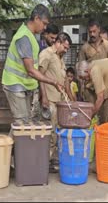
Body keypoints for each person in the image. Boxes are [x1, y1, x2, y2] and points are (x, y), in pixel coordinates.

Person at [2, 4, 63, 125]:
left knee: (23, 123)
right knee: (22, 124)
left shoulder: (30, 36)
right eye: (44, 23)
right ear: (36, 18)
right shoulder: (24, 37)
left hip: (22, 86)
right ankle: (2, 145)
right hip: (15, 84)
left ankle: (9, 144)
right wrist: (53, 82)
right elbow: (30, 70)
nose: (45, 27)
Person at [39, 32, 72, 172]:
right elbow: (39, 76)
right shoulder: (46, 54)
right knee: (49, 132)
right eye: (64, 47)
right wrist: (44, 97)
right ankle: (43, 163)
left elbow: (64, 82)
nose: (66, 50)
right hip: (50, 100)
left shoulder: (60, 58)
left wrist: (70, 100)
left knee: (56, 132)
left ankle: (50, 160)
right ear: (58, 42)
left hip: (59, 101)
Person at [78, 19, 108, 124]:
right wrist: (82, 87)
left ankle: (103, 139)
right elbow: (81, 69)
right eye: (90, 32)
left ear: (99, 30)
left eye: (94, 31)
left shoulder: (107, 46)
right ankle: (90, 138)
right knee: (89, 116)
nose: (92, 34)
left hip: (104, 87)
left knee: (104, 118)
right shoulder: (84, 48)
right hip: (89, 88)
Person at [32, 23, 60, 121]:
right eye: (51, 37)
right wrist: (43, 95)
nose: (53, 40)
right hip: (37, 86)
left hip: (45, 88)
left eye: (55, 39)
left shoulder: (52, 50)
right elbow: (40, 73)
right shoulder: (41, 49)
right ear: (45, 34)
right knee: (35, 117)